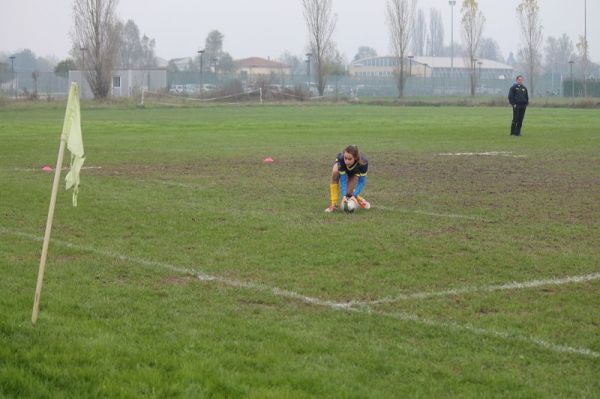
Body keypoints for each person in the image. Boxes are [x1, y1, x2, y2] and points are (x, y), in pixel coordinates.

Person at [325, 145, 371, 212]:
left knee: (349, 193)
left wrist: (354, 195)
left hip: (354, 173)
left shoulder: (363, 163)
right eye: (345, 158)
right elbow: (343, 180)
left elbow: (361, 182)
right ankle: (333, 205)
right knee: (335, 171)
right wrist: (344, 196)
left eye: (350, 159)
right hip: (344, 170)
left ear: (355, 157)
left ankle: (360, 200)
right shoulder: (341, 159)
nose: (347, 161)